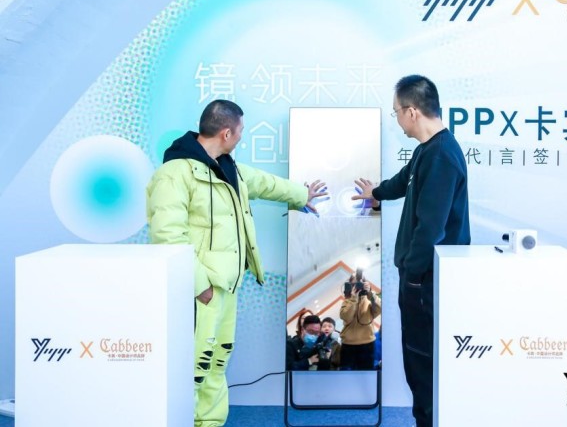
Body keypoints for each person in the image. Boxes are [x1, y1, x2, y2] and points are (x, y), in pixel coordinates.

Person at [146, 99, 326, 427]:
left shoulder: (229, 168)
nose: (242, 136)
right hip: (200, 291)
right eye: (241, 130)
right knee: (192, 365)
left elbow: (266, 184)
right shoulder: (174, 174)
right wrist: (199, 285)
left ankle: (210, 422)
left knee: (216, 361)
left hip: (227, 287)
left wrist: (301, 195)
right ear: (226, 133)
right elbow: (168, 236)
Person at [352, 75, 470, 427]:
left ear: (412, 111)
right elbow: (404, 181)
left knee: (422, 360)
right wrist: (376, 193)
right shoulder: (426, 150)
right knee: (417, 360)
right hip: (419, 276)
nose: (397, 120)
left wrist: (413, 276)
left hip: (425, 279)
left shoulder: (442, 155)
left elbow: (430, 229)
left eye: (396, 113)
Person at [339, 277, 381, 370]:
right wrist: (354, 299)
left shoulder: (370, 300)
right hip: (348, 345)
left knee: (366, 375)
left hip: (367, 344)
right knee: (346, 375)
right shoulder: (347, 301)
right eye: (354, 284)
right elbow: (346, 316)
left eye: (360, 284)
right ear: (350, 286)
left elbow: (380, 308)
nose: (357, 287)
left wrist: (370, 293)